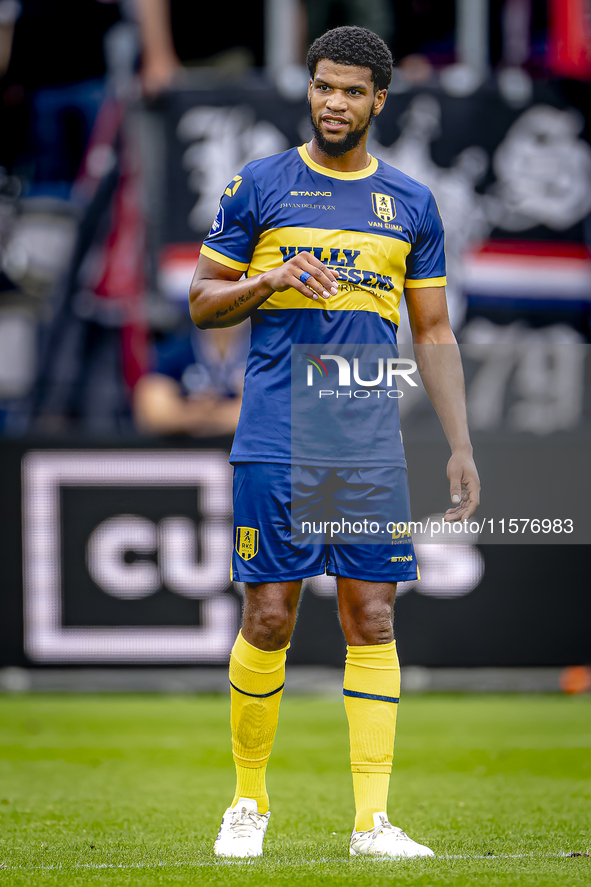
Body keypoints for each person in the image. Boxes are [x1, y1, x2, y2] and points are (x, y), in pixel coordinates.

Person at [189, 25, 480, 860]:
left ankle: (371, 823)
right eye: (323, 86)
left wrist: (459, 445)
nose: (335, 102)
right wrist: (268, 279)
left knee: (373, 616)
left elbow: (432, 332)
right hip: (277, 433)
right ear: (308, 90)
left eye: (352, 90)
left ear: (378, 100)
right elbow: (201, 301)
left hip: (364, 437)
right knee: (271, 614)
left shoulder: (411, 204)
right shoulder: (260, 185)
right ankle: (246, 803)